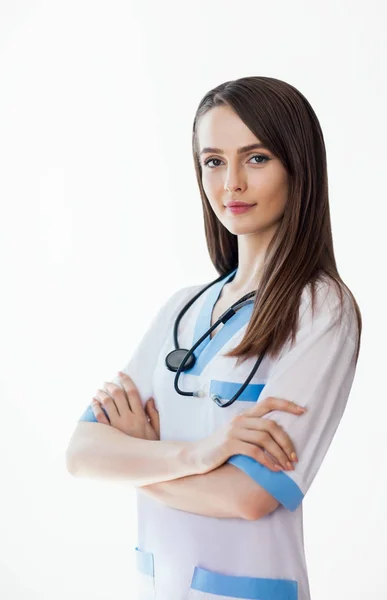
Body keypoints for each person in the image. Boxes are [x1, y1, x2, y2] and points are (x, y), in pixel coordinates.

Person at [66, 75, 362, 600]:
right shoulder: (182, 308)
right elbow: (83, 453)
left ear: (300, 167)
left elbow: (250, 495)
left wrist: (137, 456)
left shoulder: (320, 308)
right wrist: (197, 455)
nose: (231, 185)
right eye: (213, 161)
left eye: (256, 158)